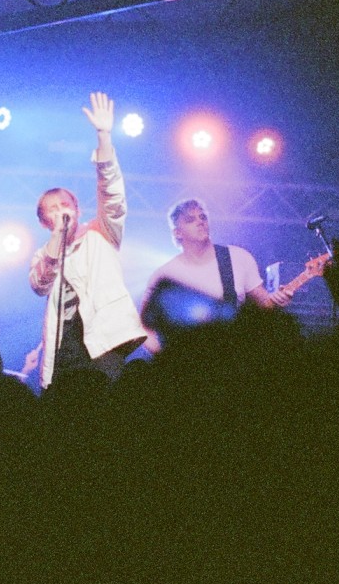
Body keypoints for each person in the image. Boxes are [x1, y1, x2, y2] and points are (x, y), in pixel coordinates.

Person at [28, 92, 145, 388]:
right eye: (52, 209)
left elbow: (112, 193)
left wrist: (104, 136)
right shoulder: (44, 254)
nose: (60, 211)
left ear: (78, 210)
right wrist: (58, 236)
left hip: (103, 344)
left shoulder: (100, 233)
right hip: (63, 352)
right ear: (44, 222)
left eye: (65, 204)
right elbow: (39, 285)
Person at [140, 199, 291, 353]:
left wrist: (278, 299)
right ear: (177, 232)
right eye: (190, 220)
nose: (200, 222)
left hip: (233, 357)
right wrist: (166, 356)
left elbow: (264, 302)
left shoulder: (238, 257)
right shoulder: (165, 274)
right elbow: (144, 326)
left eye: (202, 217)